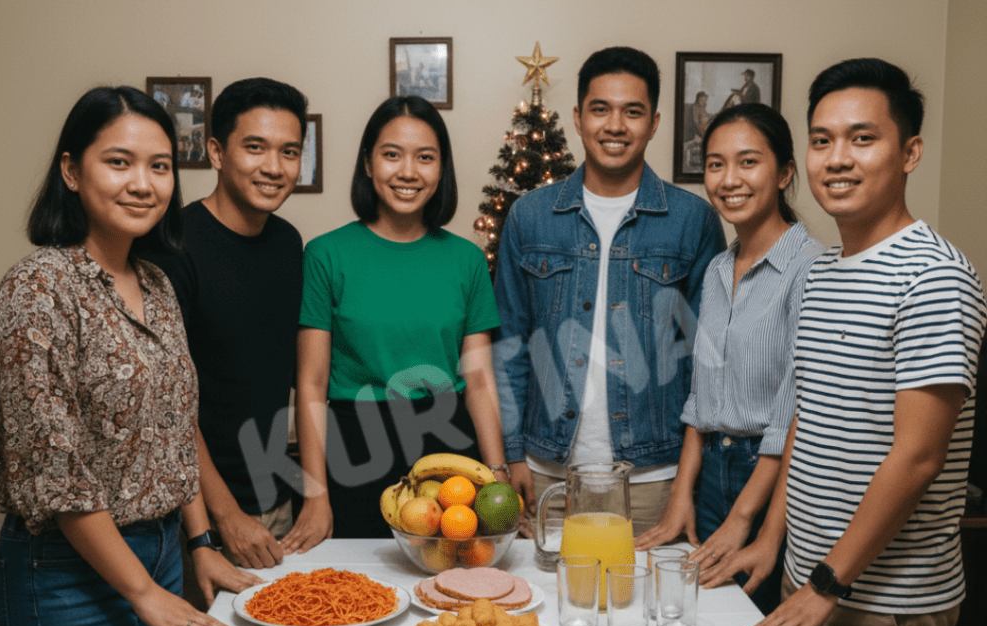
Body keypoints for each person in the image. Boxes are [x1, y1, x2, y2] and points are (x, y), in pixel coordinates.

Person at [0, 86, 259, 626]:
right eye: (119, 162)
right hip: (62, 578)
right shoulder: (36, 289)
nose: (143, 182)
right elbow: (54, 470)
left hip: (161, 552)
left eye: (159, 166)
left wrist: (200, 546)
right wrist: (140, 591)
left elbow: (178, 436)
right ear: (71, 171)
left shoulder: (158, 286)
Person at [736, 59, 986, 626]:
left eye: (863, 139)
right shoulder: (830, 269)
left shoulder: (932, 273)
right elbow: (810, 410)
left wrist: (830, 583)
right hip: (818, 583)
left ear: (909, 152)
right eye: (822, 140)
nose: (837, 158)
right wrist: (776, 547)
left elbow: (915, 457)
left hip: (886, 600)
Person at [493, 46, 726, 533]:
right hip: (545, 479)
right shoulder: (530, 216)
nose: (615, 125)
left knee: (644, 610)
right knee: (549, 609)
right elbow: (509, 348)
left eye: (632, 111)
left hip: (653, 483)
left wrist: (686, 482)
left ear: (655, 122)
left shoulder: (693, 220)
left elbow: (706, 364)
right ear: (578, 118)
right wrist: (512, 457)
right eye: (600, 109)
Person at [284, 95, 507, 552]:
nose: (408, 172)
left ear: (441, 169)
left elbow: (480, 381)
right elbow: (311, 383)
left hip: (449, 451)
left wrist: (497, 473)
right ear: (368, 163)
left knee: (447, 594)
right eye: (392, 155)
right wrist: (315, 494)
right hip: (353, 449)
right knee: (354, 597)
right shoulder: (326, 255)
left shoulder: (466, 260)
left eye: (425, 157)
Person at [638, 102, 821, 617]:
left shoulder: (811, 270)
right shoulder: (717, 269)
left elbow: (795, 417)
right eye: (715, 164)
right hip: (709, 473)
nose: (728, 179)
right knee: (696, 624)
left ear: (784, 172)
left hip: (770, 483)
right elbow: (701, 394)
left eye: (748, 162)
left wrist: (748, 518)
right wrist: (681, 495)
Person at [143, 78, 308, 575]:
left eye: (289, 151)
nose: (274, 168)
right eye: (254, 148)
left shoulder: (287, 242)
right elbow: (170, 403)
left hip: (275, 501)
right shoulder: (173, 248)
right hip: (196, 518)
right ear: (216, 152)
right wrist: (224, 516)